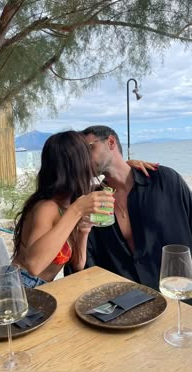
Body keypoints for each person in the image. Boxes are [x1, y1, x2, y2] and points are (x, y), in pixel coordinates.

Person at [64, 125, 192, 293]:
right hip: (126, 304)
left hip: (178, 292)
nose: (83, 158)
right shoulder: (91, 202)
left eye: (89, 148)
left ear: (110, 142)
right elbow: (82, 267)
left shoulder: (165, 181)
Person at [12, 130, 115, 287]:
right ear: (79, 166)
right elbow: (34, 265)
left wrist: (83, 232)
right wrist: (77, 211)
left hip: (42, 289)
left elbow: (78, 264)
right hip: (20, 287)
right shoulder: (47, 207)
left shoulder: (67, 206)